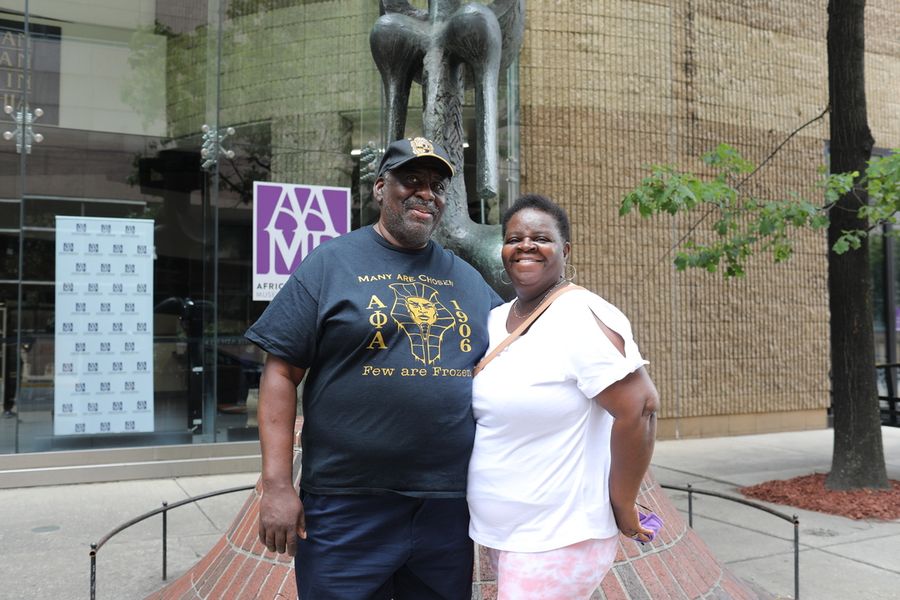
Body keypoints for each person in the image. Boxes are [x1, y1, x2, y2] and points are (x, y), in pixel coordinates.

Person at [245, 136, 502, 600]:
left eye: (437, 186)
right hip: (347, 504)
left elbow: (515, 359)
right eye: (412, 180)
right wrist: (278, 486)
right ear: (381, 188)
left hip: (445, 509)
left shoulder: (467, 279)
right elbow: (280, 372)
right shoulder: (330, 263)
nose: (427, 194)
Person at [467, 193, 660, 600]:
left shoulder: (581, 314)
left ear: (565, 250)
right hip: (510, 534)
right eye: (514, 237)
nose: (525, 246)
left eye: (541, 237)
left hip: (559, 534)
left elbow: (639, 407)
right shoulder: (496, 319)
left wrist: (623, 501)